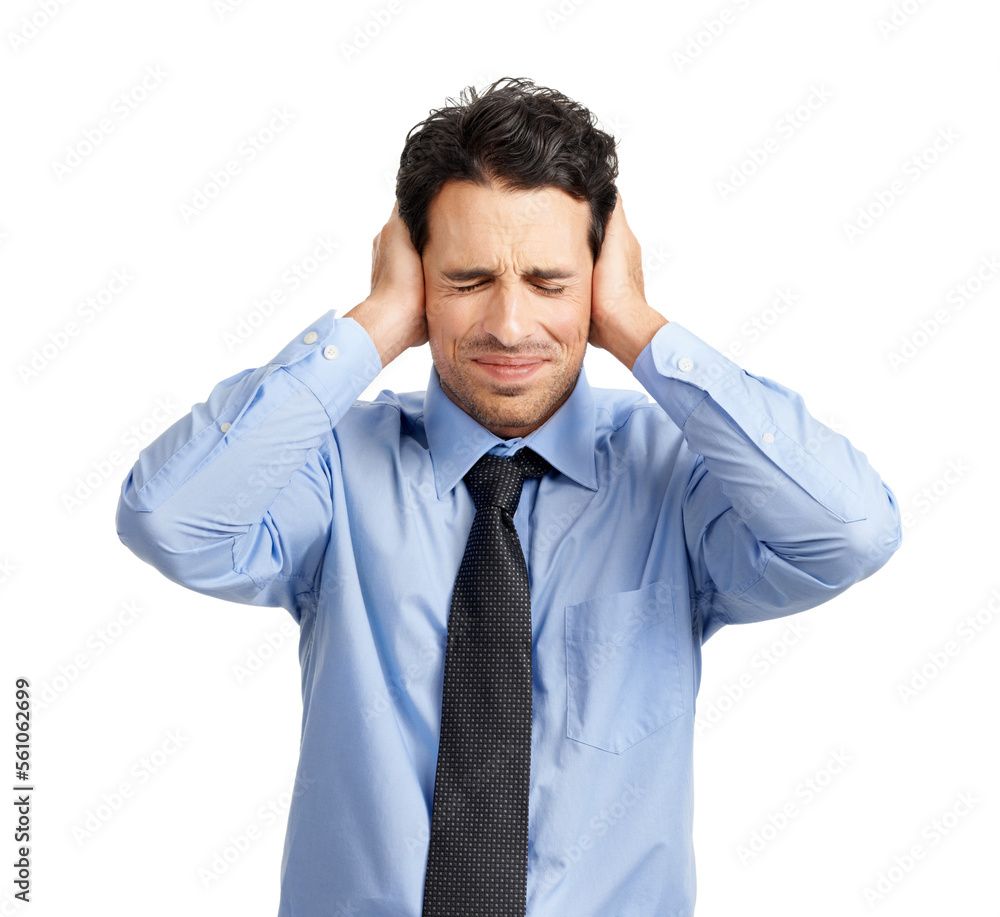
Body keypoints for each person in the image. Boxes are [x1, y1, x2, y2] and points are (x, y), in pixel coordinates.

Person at [116, 77, 902, 916]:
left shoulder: (678, 478)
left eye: (549, 281)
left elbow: (848, 532)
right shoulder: (333, 469)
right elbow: (169, 518)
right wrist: (372, 323)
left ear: (598, 277)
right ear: (416, 273)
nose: (511, 325)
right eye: (467, 279)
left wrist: (638, 326)